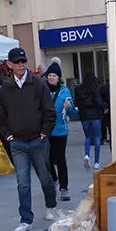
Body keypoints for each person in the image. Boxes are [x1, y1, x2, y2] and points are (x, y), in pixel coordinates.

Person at [0, 46, 58, 231]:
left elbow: (49, 111)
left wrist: (44, 133)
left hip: (37, 140)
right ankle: (26, 219)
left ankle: (51, 206)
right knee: (22, 183)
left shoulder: (38, 84)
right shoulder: (5, 88)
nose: (21, 65)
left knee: (45, 178)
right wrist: (7, 135)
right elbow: (1, 115)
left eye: (23, 61)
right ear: (9, 64)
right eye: (17, 62)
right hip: (18, 143)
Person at [45, 62, 76, 201]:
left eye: (54, 75)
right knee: (47, 158)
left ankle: (64, 188)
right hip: (45, 130)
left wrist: (68, 107)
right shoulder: (42, 90)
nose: (51, 78)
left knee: (60, 159)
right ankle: (54, 178)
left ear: (59, 78)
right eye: (49, 75)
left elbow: (73, 111)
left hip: (60, 130)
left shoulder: (65, 91)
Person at [76, 73, 105, 168]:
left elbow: (76, 102)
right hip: (95, 116)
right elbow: (99, 102)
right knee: (97, 138)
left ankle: (87, 155)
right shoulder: (95, 89)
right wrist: (106, 105)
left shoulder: (79, 89)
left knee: (88, 137)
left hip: (84, 117)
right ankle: (96, 162)